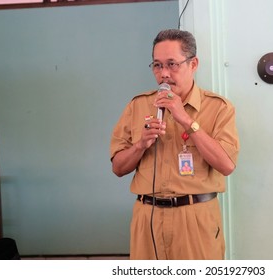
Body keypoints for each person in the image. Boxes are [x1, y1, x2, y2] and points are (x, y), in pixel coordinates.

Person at [110, 29, 239, 260]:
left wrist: (186, 120)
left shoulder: (219, 108)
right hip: (147, 216)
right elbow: (118, 168)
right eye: (157, 65)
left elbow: (227, 165)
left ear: (193, 64)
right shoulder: (137, 106)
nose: (164, 74)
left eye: (172, 64)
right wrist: (140, 145)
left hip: (195, 219)